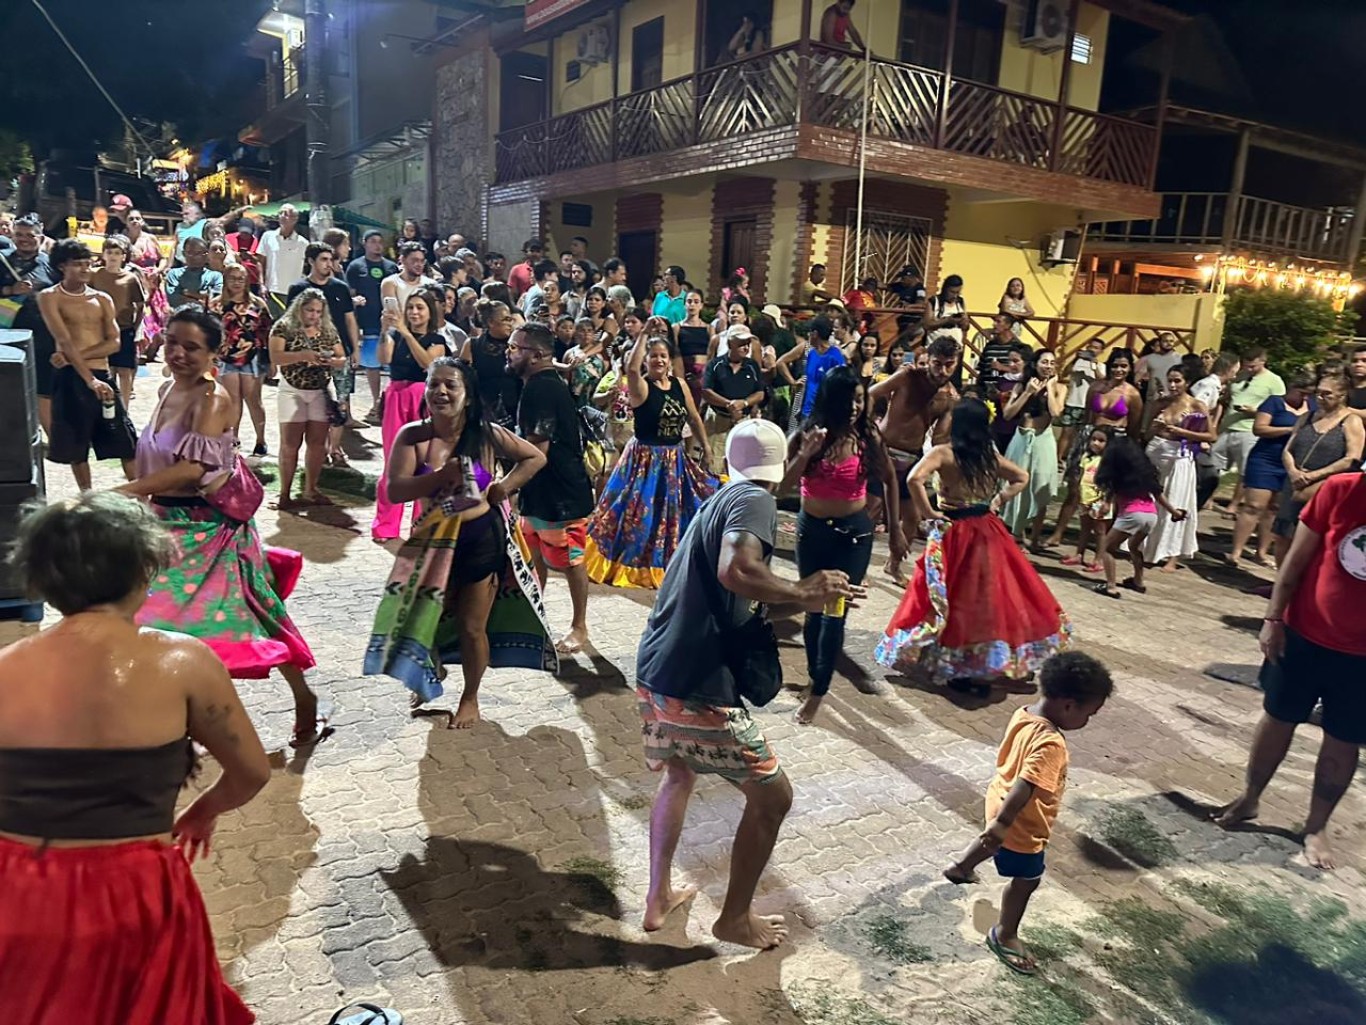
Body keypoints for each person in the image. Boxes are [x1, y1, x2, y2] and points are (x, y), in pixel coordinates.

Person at [0, 492, 268, 1025]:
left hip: (15, 890)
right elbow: (252, 772)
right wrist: (203, 812)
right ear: (144, 567)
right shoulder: (181, 660)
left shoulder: (5, 667)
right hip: (132, 891)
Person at [636, 418, 859, 949]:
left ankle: (657, 896)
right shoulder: (754, 501)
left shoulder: (722, 496)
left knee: (678, 773)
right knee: (773, 798)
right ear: (778, 468)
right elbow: (737, 568)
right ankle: (733, 919)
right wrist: (803, 592)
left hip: (656, 671)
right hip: (697, 681)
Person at [119, 306, 325, 744]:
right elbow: (154, 457)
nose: (178, 353)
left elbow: (192, 472)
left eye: (191, 347)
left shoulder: (214, 400)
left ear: (215, 353)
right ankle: (177, 719)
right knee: (156, 622)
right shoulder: (163, 390)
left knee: (254, 619)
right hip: (164, 525)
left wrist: (126, 491)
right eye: (173, 341)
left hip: (211, 531)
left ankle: (302, 697)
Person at [364, 358, 554, 726]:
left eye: (451, 385)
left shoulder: (484, 434)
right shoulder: (412, 436)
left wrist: (503, 488)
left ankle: (471, 697)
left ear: (467, 396)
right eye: (435, 384)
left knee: (471, 626)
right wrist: (438, 478)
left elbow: (534, 457)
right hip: (431, 545)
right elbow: (395, 489)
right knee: (425, 620)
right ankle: (428, 671)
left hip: (479, 540)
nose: (441, 392)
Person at [1216, 472, 1366, 870]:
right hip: (1303, 635)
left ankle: (1316, 827)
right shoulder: (1341, 489)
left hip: (1361, 658)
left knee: (1343, 739)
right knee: (1278, 718)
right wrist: (1273, 618)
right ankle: (1250, 797)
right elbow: (1295, 560)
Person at [876, 398, 1071, 691]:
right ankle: (976, 661)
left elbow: (915, 478)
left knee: (946, 595)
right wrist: (998, 500)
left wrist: (928, 513)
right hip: (987, 530)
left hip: (953, 530)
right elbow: (1022, 476)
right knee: (984, 597)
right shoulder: (988, 457)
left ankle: (955, 664)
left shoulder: (945, 453)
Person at [942, 652, 1114, 976]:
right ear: (1067, 705)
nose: (1087, 722)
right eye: (1089, 714)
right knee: (1027, 879)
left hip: (998, 801)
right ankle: (1005, 933)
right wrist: (1004, 824)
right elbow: (1026, 785)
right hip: (1020, 822)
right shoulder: (1051, 744)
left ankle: (961, 867)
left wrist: (998, 823)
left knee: (991, 840)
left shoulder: (1024, 714)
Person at [785, 366, 906, 724]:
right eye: (849, 399)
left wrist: (896, 529)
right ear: (831, 399)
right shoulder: (809, 434)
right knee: (812, 608)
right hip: (812, 532)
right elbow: (782, 486)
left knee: (835, 613)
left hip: (853, 536)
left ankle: (818, 693)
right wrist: (805, 454)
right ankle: (814, 675)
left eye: (860, 399)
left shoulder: (868, 436)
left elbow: (889, 480)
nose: (856, 406)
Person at [585, 330, 716, 588]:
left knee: (672, 513)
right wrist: (643, 334)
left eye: (663, 356)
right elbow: (631, 371)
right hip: (644, 461)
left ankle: (671, 561)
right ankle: (635, 564)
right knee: (638, 514)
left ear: (669, 360)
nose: (658, 360)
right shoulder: (641, 387)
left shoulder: (680, 385)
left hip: (674, 459)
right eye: (653, 356)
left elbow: (694, 417)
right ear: (645, 360)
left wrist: (707, 450)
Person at [508, 322, 598, 653]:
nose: (510, 352)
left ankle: (579, 626)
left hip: (561, 494)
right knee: (534, 557)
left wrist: (506, 486)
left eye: (516, 348)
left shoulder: (542, 389)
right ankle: (533, 618)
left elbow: (536, 450)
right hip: (541, 491)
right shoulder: (540, 382)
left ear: (538, 355)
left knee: (571, 560)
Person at [36, 239, 138, 491]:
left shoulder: (102, 299)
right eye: (77, 264)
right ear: (62, 266)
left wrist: (75, 359)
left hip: (101, 371)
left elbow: (113, 342)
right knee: (76, 444)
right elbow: (63, 339)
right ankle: (87, 495)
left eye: (87, 264)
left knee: (124, 439)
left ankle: (140, 492)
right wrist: (86, 377)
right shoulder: (50, 297)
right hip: (72, 378)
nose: (84, 269)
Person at [867, 336, 960, 580]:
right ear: (928, 360)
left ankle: (894, 565)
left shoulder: (950, 397)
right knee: (871, 510)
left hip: (912, 456)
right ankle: (855, 565)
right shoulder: (907, 376)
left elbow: (939, 439)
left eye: (949, 364)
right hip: (883, 449)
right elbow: (870, 393)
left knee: (912, 518)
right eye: (937, 363)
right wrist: (866, 429)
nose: (943, 370)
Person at [1045, 349, 1142, 548]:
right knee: (1075, 487)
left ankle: (1104, 542)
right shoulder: (1097, 387)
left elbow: (1134, 426)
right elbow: (1088, 416)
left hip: (1116, 441)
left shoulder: (1132, 394)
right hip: (1089, 437)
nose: (1118, 370)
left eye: (1123, 366)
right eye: (1115, 365)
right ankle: (1058, 533)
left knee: (1107, 493)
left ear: (1130, 368)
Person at [372, 289, 449, 540]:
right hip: (396, 396)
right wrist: (385, 330)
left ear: (430, 312)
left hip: (423, 399)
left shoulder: (437, 340)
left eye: (420, 308)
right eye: (411, 308)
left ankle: (421, 525)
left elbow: (428, 364)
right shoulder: (395, 335)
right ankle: (386, 525)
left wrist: (406, 332)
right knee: (392, 462)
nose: (414, 312)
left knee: (424, 463)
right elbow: (383, 358)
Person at [1268, 371, 1364, 564]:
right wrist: (1293, 471)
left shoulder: (1350, 421)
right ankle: (1279, 582)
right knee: (1284, 533)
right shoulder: (1307, 417)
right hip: (1295, 481)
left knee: (1310, 536)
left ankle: (1302, 585)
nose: (1320, 398)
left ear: (1342, 396)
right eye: (1318, 393)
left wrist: (1315, 475)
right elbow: (1289, 449)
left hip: (1324, 485)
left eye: (1327, 394)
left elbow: (1351, 457)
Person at [268, 288, 349, 511]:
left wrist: (331, 361)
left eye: (317, 311)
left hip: (319, 389)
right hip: (292, 389)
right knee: (290, 443)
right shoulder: (284, 327)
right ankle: (284, 492)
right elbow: (275, 357)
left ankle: (310, 489)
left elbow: (342, 356)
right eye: (309, 310)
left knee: (317, 443)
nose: (313, 315)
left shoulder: (327, 329)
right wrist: (304, 356)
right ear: (299, 308)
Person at [1227, 371, 1314, 566]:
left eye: (1309, 393)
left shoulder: (1313, 406)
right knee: (1254, 506)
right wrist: (1290, 430)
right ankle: (1236, 551)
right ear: (1291, 389)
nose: (1305, 397)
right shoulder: (1273, 402)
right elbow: (1259, 428)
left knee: (1275, 508)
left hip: (1292, 463)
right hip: (1266, 459)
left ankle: (1262, 551)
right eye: (1301, 393)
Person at [288, 242, 360, 465]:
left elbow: (349, 319)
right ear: (311, 261)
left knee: (341, 403)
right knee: (315, 404)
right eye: (324, 260)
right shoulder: (298, 289)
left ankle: (335, 449)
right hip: (311, 355)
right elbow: (291, 322)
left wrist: (354, 348)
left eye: (331, 260)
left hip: (340, 353)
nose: (329, 264)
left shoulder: (339, 287)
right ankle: (317, 448)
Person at [1091, 436, 1186, 599]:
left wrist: (1101, 509)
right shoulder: (1144, 473)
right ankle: (1138, 581)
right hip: (1150, 516)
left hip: (1132, 515)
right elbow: (1158, 495)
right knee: (1134, 547)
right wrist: (1175, 512)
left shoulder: (1117, 474)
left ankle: (1111, 587)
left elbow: (1108, 500)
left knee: (1107, 548)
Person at [1142, 365, 1216, 571]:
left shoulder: (1196, 406)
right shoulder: (1160, 403)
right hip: (1157, 450)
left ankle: (1172, 555)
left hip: (1180, 455)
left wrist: (1183, 432)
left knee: (1176, 501)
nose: (1173, 385)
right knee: (1151, 499)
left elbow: (1211, 436)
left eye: (1178, 381)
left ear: (1187, 383)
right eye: (1170, 380)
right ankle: (1147, 547)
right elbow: (1146, 433)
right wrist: (1154, 429)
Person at [1201, 347, 1285, 509]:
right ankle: (1207, 498)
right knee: (1213, 464)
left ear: (1263, 361)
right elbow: (1224, 401)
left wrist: (1257, 412)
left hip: (1249, 430)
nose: (1248, 369)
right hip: (1227, 427)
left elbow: (1278, 407)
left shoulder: (1275, 381)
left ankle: (1234, 504)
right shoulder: (1239, 377)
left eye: (1252, 366)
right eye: (1246, 365)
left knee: (1244, 470)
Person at [1000, 350, 1067, 549]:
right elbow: (1008, 414)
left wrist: (1051, 387)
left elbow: (1056, 412)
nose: (1048, 366)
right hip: (1021, 438)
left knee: (1040, 487)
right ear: (1035, 364)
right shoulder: (1022, 385)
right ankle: (1016, 533)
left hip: (1043, 440)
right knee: (1016, 484)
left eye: (1052, 363)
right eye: (1044, 362)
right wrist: (1028, 392)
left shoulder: (1060, 388)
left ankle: (1035, 537)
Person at [0, 214, 57, 433]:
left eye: (29, 235)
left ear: (40, 238)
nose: (23, 239)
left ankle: (52, 440)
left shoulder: (52, 264)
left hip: (44, 336)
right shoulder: (2, 259)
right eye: (19, 234)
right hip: (7, 336)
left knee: (44, 390)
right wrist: (9, 291)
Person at [210, 263, 272, 455]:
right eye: (232, 278)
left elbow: (267, 331)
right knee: (232, 401)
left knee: (253, 400)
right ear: (225, 280)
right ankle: (232, 440)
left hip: (252, 357)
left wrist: (271, 361)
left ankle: (260, 439)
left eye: (241, 278)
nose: (236, 282)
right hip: (225, 357)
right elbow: (209, 332)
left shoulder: (257, 304)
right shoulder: (215, 304)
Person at [346, 229, 398, 424]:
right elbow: (350, 295)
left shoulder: (391, 267)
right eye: (373, 241)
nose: (377, 245)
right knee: (372, 366)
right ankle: (376, 403)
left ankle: (387, 403)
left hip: (390, 324)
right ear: (365, 243)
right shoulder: (355, 266)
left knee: (390, 365)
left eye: (380, 242)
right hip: (367, 324)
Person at [91, 234, 146, 408]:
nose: (113, 256)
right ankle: (106, 404)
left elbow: (140, 304)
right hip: (101, 329)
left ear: (123, 256)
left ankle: (124, 407)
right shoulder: (95, 275)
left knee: (124, 370)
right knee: (106, 369)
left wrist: (135, 327)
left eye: (117, 253)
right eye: (109, 252)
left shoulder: (130, 278)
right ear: (103, 255)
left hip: (124, 328)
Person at [702, 325, 766, 467]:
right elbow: (706, 391)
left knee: (742, 465)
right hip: (718, 421)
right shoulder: (715, 364)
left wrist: (744, 403)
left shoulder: (752, 366)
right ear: (730, 343)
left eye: (748, 344)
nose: (746, 347)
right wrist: (728, 404)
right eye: (742, 344)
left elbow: (760, 392)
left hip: (743, 422)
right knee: (714, 465)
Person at [776, 314, 847, 431]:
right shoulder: (808, 349)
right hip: (803, 406)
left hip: (824, 409)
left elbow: (841, 382)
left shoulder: (835, 355)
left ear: (815, 334)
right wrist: (793, 382)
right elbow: (780, 362)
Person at [460, 298, 522, 429]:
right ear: (490, 322)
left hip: (516, 409)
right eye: (505, 319)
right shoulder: (472, 345)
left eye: (511, 319)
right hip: (484, 410)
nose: (510, 323)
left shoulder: (519, 345)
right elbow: (464, 380)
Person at [1060, 427, 1111, 573]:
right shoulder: (1086, 458)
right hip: (1084, 498)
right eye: (1093, 439)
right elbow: (1081, 476)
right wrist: (1077, 493)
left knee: (1100, 531)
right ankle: (1079, 554)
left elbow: (1111, 483)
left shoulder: (1108, 461)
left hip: (1099, 500)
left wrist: (1107, 501)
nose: (1095, 443)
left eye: (1101, 441)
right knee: (1084, 528)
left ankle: (1098, 560)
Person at [124, 209, 171, 361]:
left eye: (138, 218)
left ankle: (153, 352)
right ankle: (138, 350)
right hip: (134, 283)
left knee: (158, 317)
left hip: (152, 283)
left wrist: (158, 270)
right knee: (141, 317)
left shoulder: (151, 239)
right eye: (131, 219)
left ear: (143, 221)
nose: (135, 221)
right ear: (126, 222)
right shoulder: (123, 240)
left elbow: (162, 259)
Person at [1057, 339, 1105, 462]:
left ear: (1101, 351)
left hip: (1089, 405)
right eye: (1091, 346)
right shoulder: (1077, 363)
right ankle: (1058, 459)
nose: (1092, 349)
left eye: (1096, 348)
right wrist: (1075, 358)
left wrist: (1093, 365)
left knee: (1084, 435)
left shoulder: (1101, 366)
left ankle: (1077, 460)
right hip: (1073, 402)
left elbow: (1102, 381)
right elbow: (1064, 373)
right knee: (1066, 433)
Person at [258, 204, 309, 315]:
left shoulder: (303, 243)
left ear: (295, 219)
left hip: (293, 293)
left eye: (287, 214)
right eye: (281, 213)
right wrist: (261, 284)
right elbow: (260, 261)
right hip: (271, 290)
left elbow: (308, 267)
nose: (283, 216)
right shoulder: (267, 237)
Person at [673, 288, 712, 407]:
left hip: (703, 372)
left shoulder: (709, 328)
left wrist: (705, 375)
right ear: (684, 304)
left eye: (696, 301)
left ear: (701, 305)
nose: (692, 305)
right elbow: (674, 352)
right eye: (689, 301)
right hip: (684, 369)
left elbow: (712, 353)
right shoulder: (676, 327)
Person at [163, 237, 223, 311]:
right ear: (183, 254)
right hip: (181, 317)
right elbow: (174, 299)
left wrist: (189, 293)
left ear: (206, 254)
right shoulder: (174, 274)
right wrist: (200, 299)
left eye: (198, 253)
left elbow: (215, 298)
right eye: (190, 253)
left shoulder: (216, 276)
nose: (194, 257)